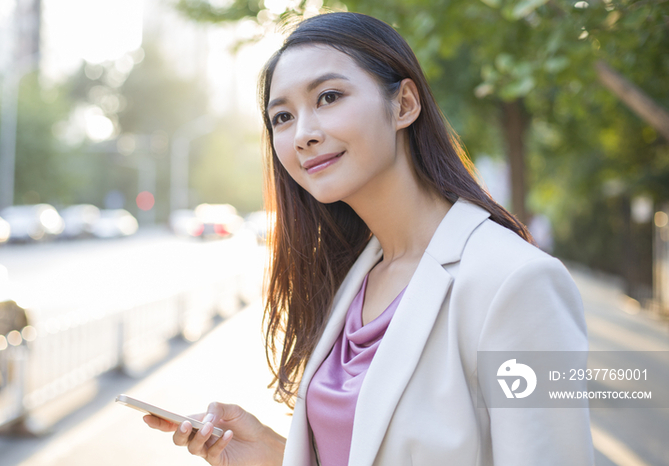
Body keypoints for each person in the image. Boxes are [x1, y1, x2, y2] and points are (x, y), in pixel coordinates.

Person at [144, 11, 594, 466]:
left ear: (403, 105)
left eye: (329, 96)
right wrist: (276, 455)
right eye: (282, 116)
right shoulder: (351, 277)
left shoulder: (516, 282)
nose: (303, 134)